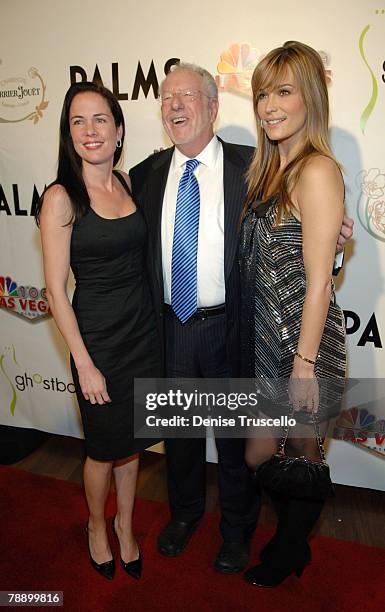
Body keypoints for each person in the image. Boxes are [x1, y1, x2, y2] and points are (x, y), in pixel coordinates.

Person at [130, 62, 353, 574]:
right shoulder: (143, 176)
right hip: (172, 328)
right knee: (181, 438)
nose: (175, 106)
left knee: (243, 449)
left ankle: (239, 532)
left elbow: (305, 247)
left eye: (187, 95)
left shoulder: (252, 165)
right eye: (166, 98)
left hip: (236, 329)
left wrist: (335, 246)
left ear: (213, 106)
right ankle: (185, 516)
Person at [36, 81, 161, 581]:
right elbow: (53, 291)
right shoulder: (61, 198)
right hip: (99, 345)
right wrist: (84, 363)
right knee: (101, 449)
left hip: (143, 337)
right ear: (69, 134)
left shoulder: (129, 182)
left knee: (132, 445)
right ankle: (95, 525)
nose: (91, 131)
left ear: (119, 130)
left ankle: (126, 525)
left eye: (100, 119)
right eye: (78, 121)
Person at [239, 41, 347, 587]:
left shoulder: (316, 170)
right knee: (260, 453)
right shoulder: (267, 170)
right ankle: (292, 539)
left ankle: (287, 552)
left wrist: (303, 365)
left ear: (312, 97)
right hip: (266, 342)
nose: (269, 105)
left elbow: (318, 281)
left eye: (283, 91)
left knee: (302, 454)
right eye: (263, 93)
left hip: (304, 345)